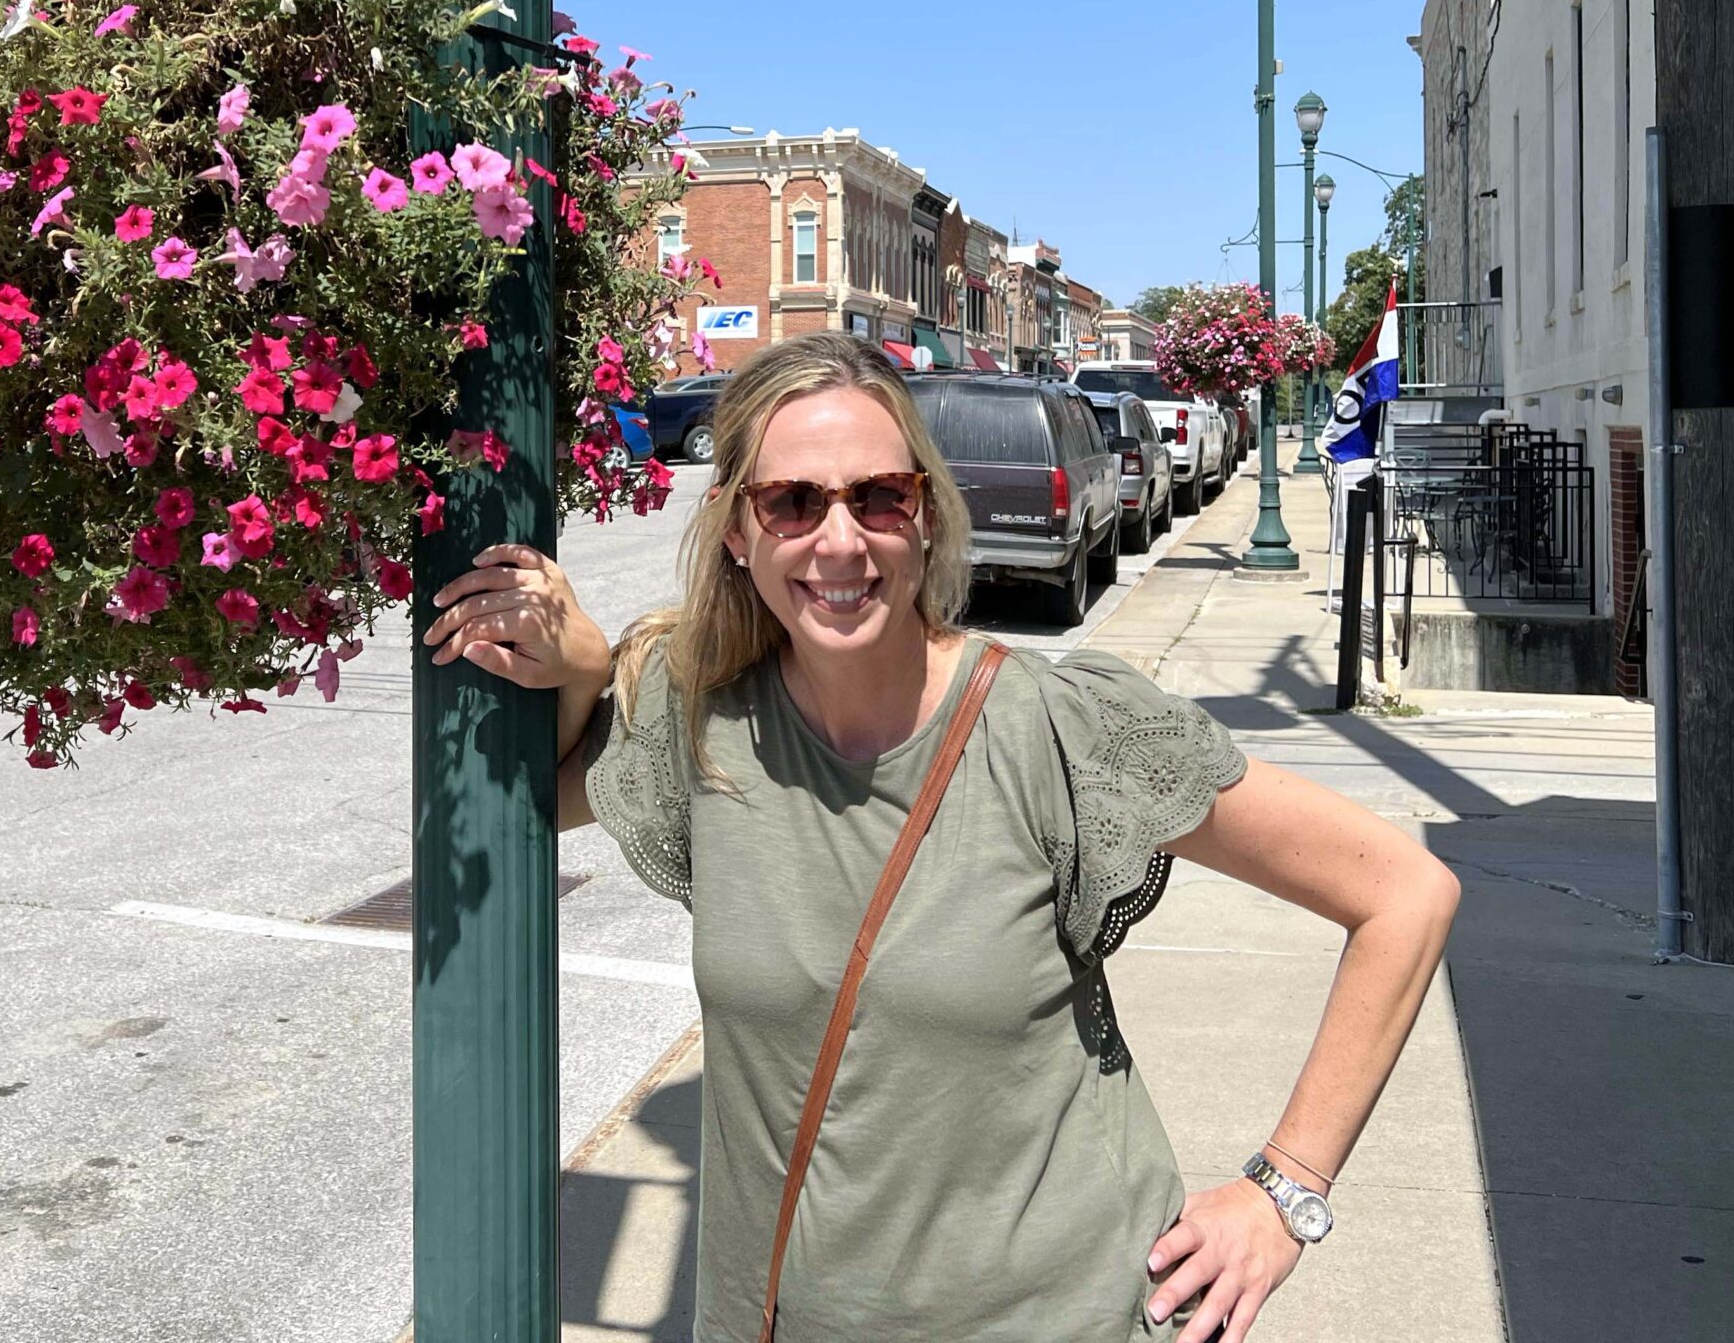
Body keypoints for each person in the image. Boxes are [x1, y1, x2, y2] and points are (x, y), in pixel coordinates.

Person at [424, 330, 1460, 1342]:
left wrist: (1285, 1191)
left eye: (879, 496)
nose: (840, 540)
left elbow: (1403, 893)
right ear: (737, 530)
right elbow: (520, 803)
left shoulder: (1060, 730)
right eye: (791, 502)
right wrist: (587, 665)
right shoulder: (698, 727)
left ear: (925, 515)